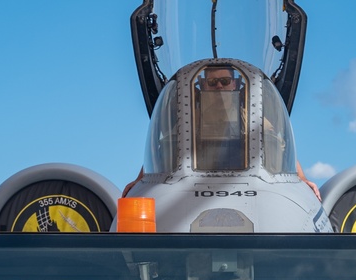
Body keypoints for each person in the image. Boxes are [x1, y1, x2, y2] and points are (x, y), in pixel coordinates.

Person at [122, 65, 321, 200]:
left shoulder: (250, 116)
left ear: (235, 85)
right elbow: (167, 148)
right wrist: (140, 180)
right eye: (212, 82)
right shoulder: (190, 116)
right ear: (201, 86)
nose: (219, 86)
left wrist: (302, 181)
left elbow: (275, 146)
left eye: (225, 81)